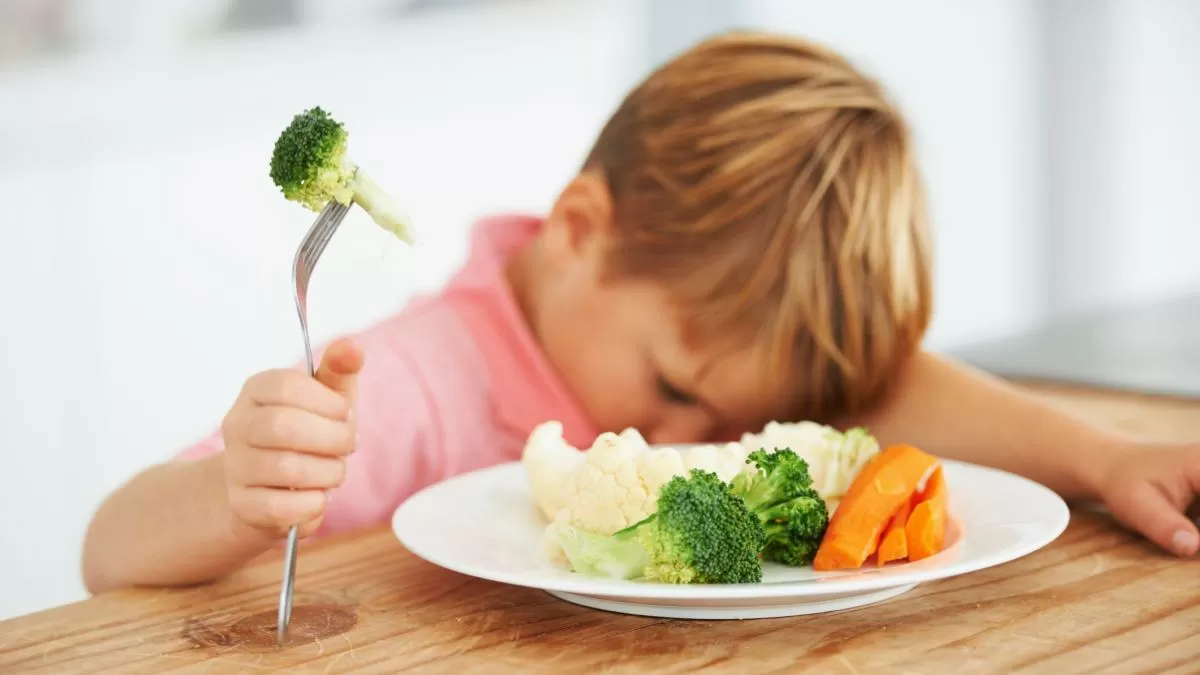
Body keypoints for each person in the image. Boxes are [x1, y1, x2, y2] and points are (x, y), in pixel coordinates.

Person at [81, 31, 1198, 593]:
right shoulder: (415, 382)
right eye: (675, 388)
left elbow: (889, 390)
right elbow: (108, 553)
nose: (691, 439)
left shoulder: (696, 346)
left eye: (731, 416)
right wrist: (236, 494)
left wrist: (1104, 460)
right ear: (579, 227)